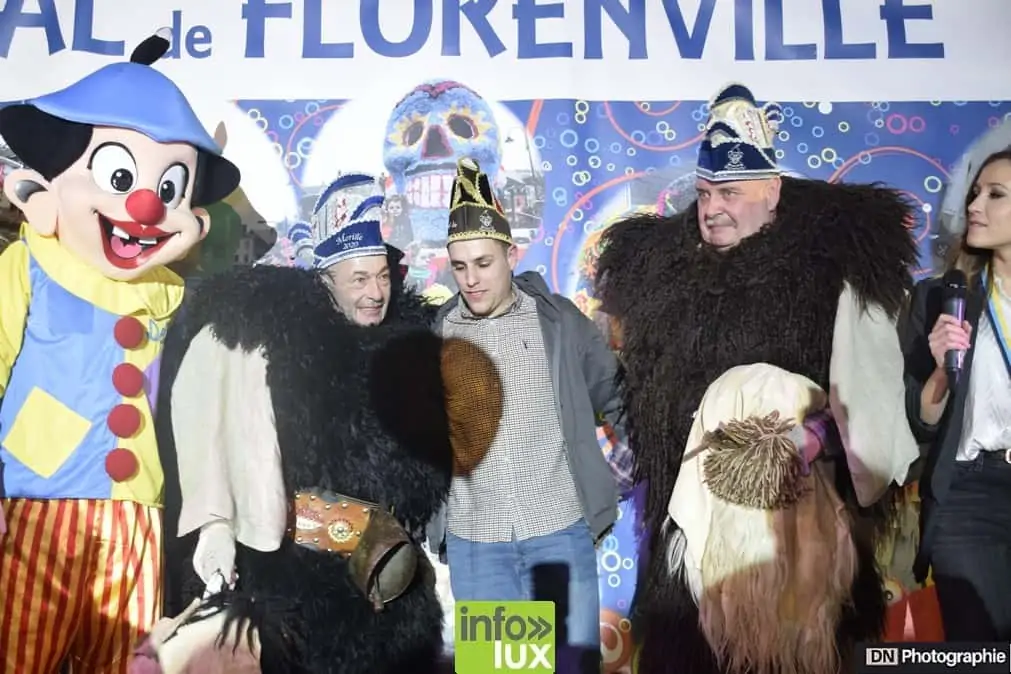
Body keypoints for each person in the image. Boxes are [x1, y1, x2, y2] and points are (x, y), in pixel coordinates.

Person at [594, 83, 921, 674]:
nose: (712, 208)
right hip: (693, 540)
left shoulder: (828, 273)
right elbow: (640, 407)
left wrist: (811, 438)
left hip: (794, 535)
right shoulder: (665, 282)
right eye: (704, 194)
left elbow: (865, 397)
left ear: (771, 191)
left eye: (730, 193)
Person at [151, 171, 498, 673]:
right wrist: (215, 524)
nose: (375, 292)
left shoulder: (415, 339)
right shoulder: (272, 334)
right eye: (359, 279)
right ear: (326, 279)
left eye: (382, 276)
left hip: (392, 578)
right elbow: (210, 415)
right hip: (298, 583)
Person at [0, 32, 239, 674]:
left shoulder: (170, 296)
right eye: (121, 178)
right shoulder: (28, 266)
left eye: (169, 189)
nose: (144, 205)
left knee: (124, 662)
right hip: (34, 508)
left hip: (137, 516)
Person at [426, 157, 629, 673]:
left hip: (558, 536)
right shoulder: (436, 337)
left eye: (483, 263)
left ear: (511, 255)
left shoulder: (559, 323)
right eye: (460, 266)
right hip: (480, 548)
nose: (471, 279)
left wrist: (657, 471)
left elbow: (619, 398)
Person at [903, 147, 1011, 640]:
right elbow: (919, 422)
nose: (974, 206)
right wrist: (940, 373)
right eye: (974, 193)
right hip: (969, 495)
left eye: (995, 195)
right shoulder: (940, 297)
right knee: (981, 648)